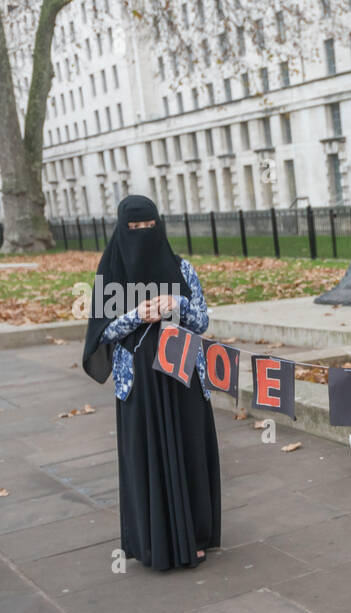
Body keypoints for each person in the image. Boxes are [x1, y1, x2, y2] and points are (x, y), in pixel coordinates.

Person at [81, 194, 221, 571]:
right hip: (138, 384)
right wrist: (136, 315)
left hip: (182, 375)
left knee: (189, 447)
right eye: (134, 228)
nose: (142, 234)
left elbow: (203, 320)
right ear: (121, 229)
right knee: (146, 451)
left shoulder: (181, 268)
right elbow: (99, 332)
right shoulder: (111, 273)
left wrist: (175, 306)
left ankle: (193, 535)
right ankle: (153, 540)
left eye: (149, 226)